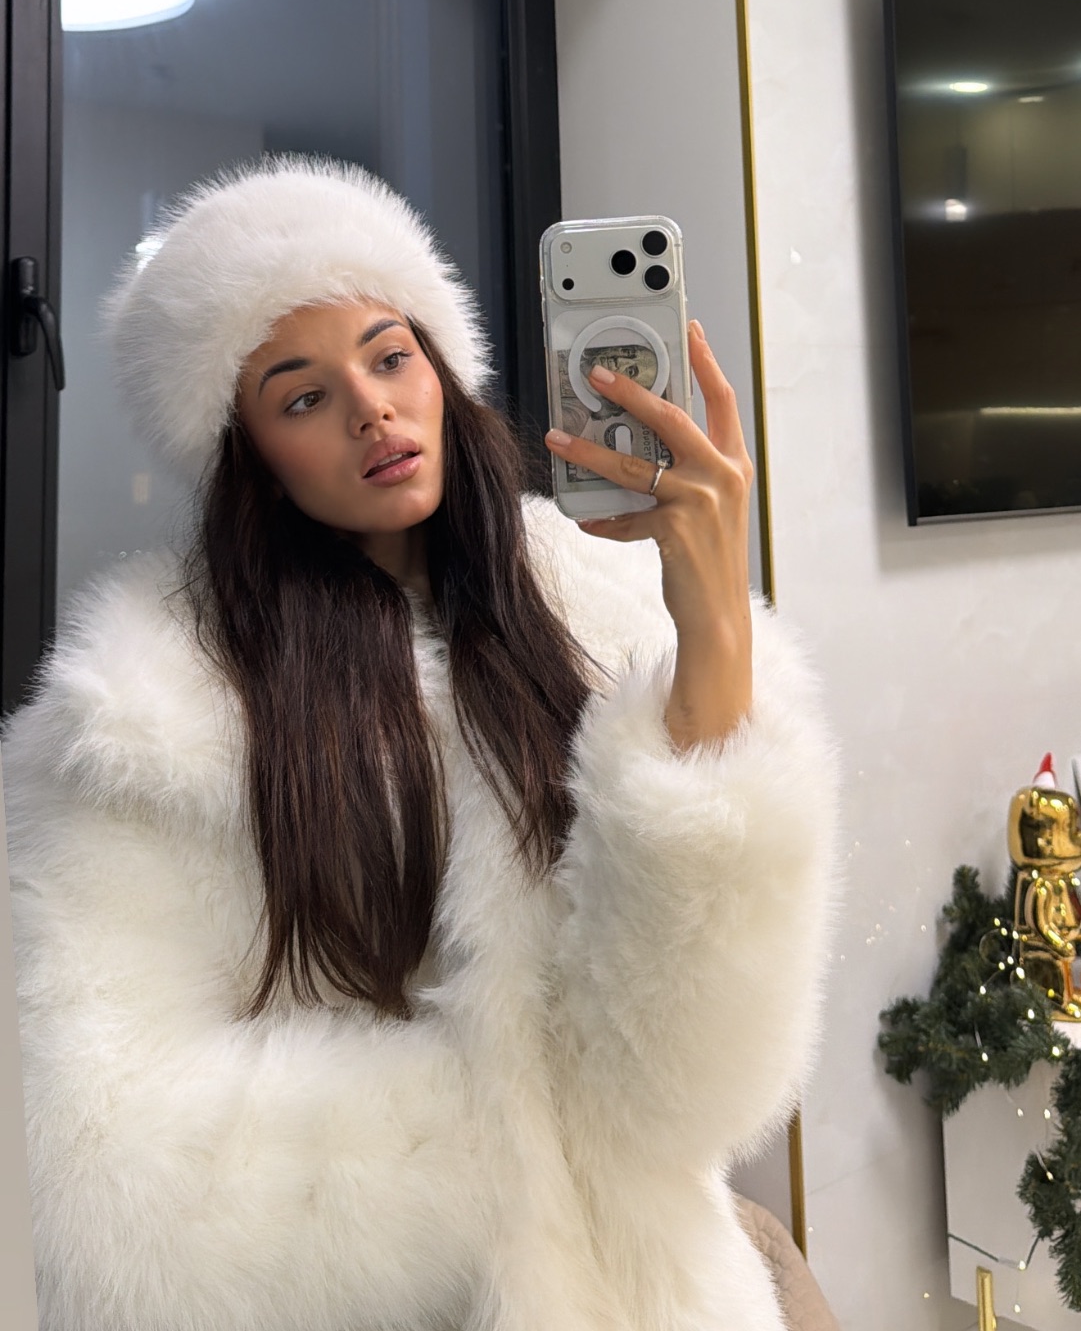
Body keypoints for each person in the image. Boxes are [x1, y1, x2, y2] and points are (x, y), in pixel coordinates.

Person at [2, 157, 838, 1331]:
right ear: (249, 459)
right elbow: (86, 1149)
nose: (371, 410)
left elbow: (698, 1086)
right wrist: (496, 1155)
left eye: (390, 358)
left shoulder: (606, 605)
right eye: (303, 398)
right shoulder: (152, 710)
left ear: (441, 368)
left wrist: (709, 631)